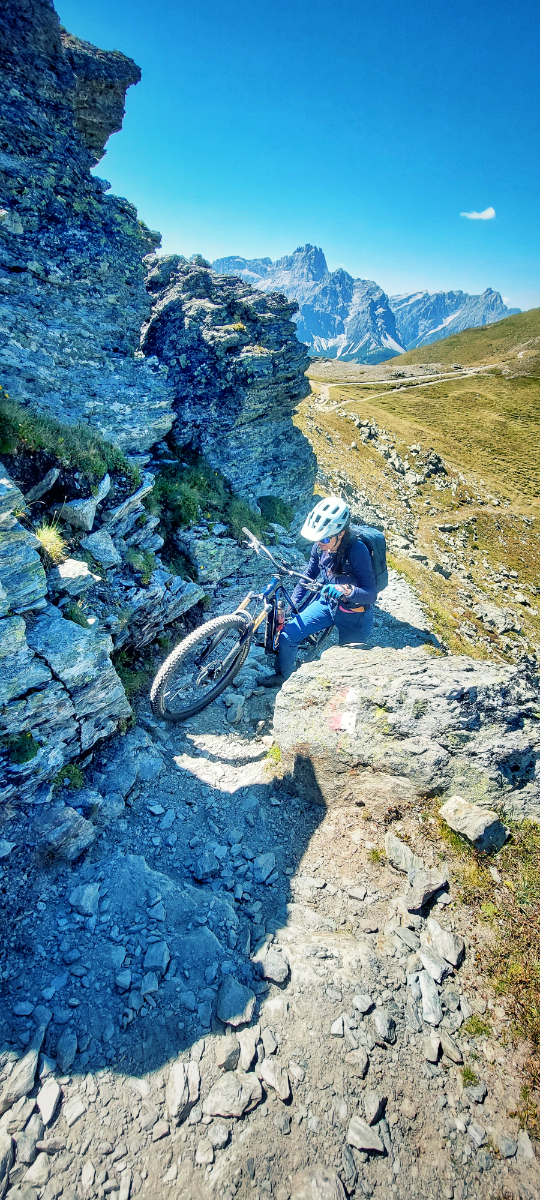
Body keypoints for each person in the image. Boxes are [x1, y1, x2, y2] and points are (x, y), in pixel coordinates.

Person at [258, 495, 376, 687]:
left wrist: (347, 590)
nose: (320, 543)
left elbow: (371, 593)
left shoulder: (357, 551)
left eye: (326, 538)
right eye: (318, 539)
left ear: (342, 534)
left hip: (355, 617)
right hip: (326, 603)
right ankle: (284, 677)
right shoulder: (320, 547)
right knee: (287, 636)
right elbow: (308, 576)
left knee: (346, 664)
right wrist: (291, 605)